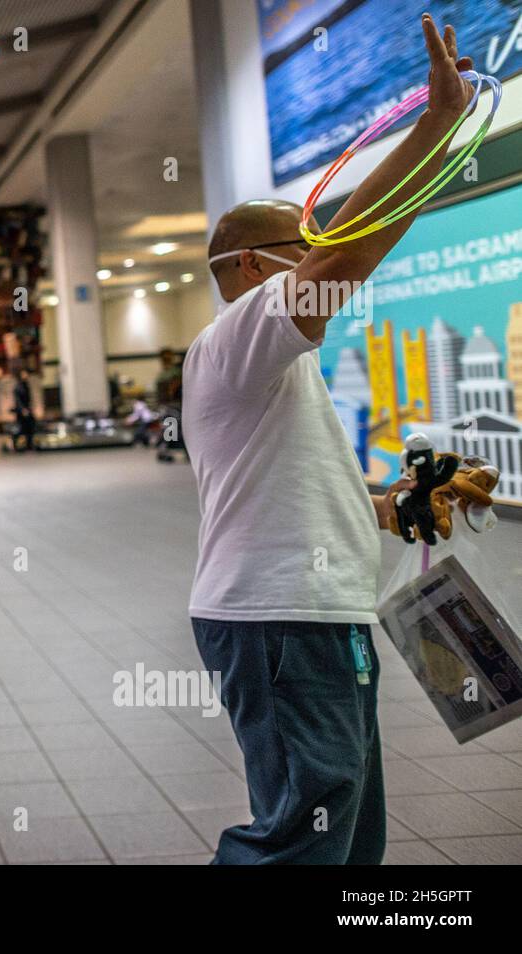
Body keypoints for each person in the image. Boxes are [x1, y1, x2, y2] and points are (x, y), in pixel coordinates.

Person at [183, 15, 475, 864]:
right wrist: (434, 129)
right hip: (278, 619)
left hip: (317, 614)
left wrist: (396, 504)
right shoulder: (236, 339)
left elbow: (296, 490)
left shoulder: (278, 371)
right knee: (300, 841)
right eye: (299, 247)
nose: (317, 255)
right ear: (247, 268)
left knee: (348, 839)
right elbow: (343, 262)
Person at [154, 349, 185, 463]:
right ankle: (164, 451)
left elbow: (177, 388)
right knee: (168, 430)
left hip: (176, 404)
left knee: (179, 429)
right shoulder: (162, 374)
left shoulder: (176, 372)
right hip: (166, 405)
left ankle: (181, 451)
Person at [12, 369, 36, 452]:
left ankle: (29, 444)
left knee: (30, 427)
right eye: (23, 374)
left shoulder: (26, 385)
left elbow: (28, 399)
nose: (25, 376)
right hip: (22, 411)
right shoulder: (18, 387)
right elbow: (18, 400)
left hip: (27, 409)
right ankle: (16, 444)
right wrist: (22, 409)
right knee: (22, 428)